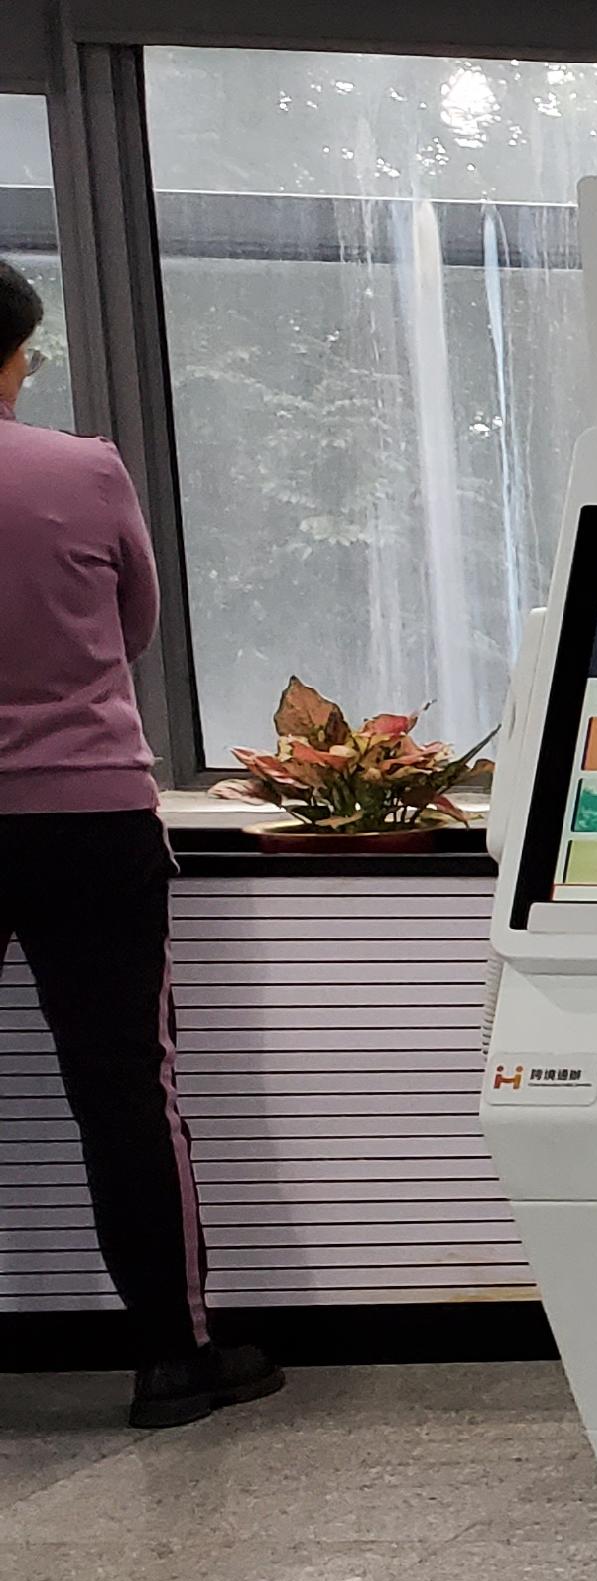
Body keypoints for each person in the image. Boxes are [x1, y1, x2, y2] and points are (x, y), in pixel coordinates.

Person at [0, 258, 281, 1426]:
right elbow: (135, 623)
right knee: (125, 1090)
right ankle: (173, 1358)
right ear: (19, 353)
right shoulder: (80, 470)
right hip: (84, 817)